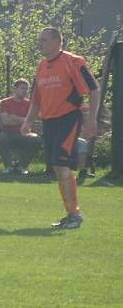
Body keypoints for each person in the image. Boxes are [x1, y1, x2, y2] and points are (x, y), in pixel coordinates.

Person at [21, 27, 100, 229]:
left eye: (44, 40)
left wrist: (92, 118)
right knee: (57, 167)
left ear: (57, 41)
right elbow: (36, 99)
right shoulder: (40, 67)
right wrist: (28, 121)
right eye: (39, 40)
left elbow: (93, 89)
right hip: (49, 121)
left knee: (62, 166)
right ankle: (70, 214)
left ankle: (75, 215)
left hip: (68, 118)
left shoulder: (73, 61)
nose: (40, 44)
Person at [0, 78, 42, 174]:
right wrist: (24, 120)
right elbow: (5, 121)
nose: (24, 91)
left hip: (25, 133)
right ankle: (9, 166)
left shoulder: (30, 104)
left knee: (36, 140)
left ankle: (22, 166)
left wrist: (13, 117)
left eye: (26, 89)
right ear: (15, 89)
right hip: (8, 132)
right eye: (22, 88)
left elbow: (31, 121)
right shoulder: (5, 102)